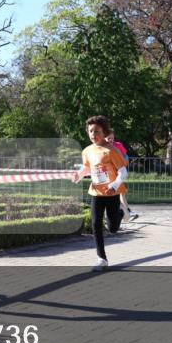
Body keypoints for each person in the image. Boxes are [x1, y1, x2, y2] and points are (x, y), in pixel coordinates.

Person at [72, 115, 128, 272]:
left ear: (104, 132)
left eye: (97, 131)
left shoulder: (111, 151)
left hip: (111, 193)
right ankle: (101, 259)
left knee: (112, 228)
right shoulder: (87, 151)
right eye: (90, 131)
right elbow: (87, 168)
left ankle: (120, 212)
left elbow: (123, 173)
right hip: (96, 192)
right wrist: (78, 175)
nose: (93, 134)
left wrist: (115, 184)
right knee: (96, 224)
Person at [106, 129, 138, 222]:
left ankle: (126, 211)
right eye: (108, 138)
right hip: (108, 174)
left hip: (118, 173)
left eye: (112, 138)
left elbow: (125, 156)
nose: (110, 140)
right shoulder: (102, 147)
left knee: (121, 192)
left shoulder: (118, 145)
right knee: (114, 194)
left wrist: (125, 162)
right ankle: (125, 212)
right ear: (104, 138)